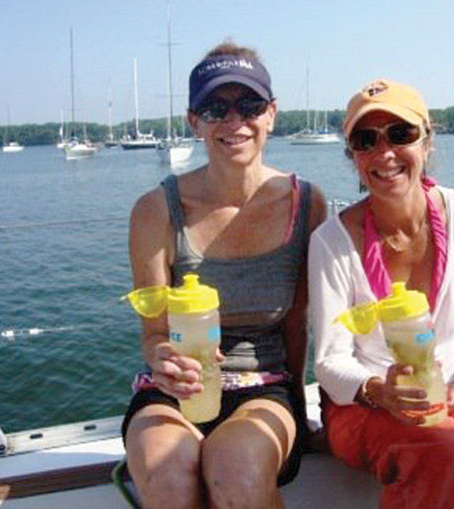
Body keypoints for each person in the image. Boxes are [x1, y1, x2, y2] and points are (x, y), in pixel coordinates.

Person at [308, 78, 454, 508]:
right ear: (353, 156)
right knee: (439, 448)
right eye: (365, 140)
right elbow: (329, 361)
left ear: (427, 142)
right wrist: (380, 391)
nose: (384, 153)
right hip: (364, 404)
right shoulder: (331, 241)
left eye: (400, 134)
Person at [122, 41, 327, 509]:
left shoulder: (306, 203)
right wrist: (165, 358)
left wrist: (299, 403)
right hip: (172, 391)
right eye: (216, 108)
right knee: (169, 478)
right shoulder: (156, 212)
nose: (235, 121)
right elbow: (153, 333)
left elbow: (298, 321)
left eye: (250, 105)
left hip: (263, 385)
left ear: (272, 114)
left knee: (235, 471)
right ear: (194, 122)